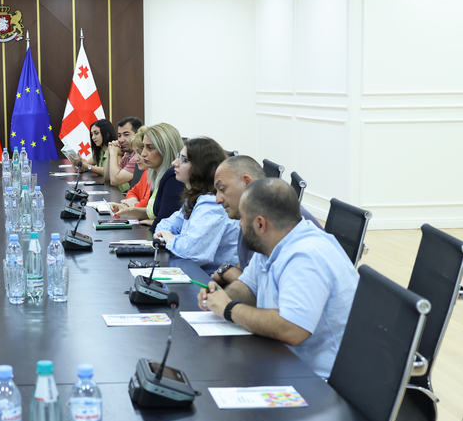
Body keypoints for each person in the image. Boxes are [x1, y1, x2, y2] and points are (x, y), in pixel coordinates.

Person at [198, 179, 358, 379]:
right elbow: (248, 286)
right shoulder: (271, 242)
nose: (239, 223)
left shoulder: (306, 256)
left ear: (260, 224)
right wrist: (220, 296)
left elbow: (292, 329)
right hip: (286, 361)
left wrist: (229, 309)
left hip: (319, 381)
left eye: (243, 218)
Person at [209, 155, 325, 288]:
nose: (218, 200)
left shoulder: (280, 219)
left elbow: (262, 288)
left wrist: (226, 272)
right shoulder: (249, 216)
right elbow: (247, 272)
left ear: (247, 182)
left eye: (222, 189)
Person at [152, 137, 240, 271]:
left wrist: (171, 238)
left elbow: (191, 253)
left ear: (201, 167)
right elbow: (164, 226)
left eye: (184, 160)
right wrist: (175, 238)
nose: (175, 163)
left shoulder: (213, 204)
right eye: (178, 157)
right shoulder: (196, 198)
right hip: (198, 271)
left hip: (214, 278)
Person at [109, 122, 184, 228]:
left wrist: (155, 222)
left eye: (150, 148)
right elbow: (153, 212)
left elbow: (165, 222)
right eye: (143, 147)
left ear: (165, 150)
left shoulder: (173, 177)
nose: (143, 154)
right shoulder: (156, 175)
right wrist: (127, 211)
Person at [108, 129, 151, 215]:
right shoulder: (146, 173)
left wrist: (133, 204)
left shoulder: (155, 176)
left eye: (139, 153)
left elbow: (145, 205)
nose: (136, 158)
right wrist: (133, 200)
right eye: (135, 153)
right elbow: (132, 192)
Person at [104, 116, 143, 191]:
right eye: (119, 135)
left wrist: (113, 153)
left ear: (137, 135)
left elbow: (115, 181)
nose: (121, 140)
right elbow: (107, 177)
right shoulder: (128, 155)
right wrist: (110, 152)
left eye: (126, 134)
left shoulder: (138, 156)